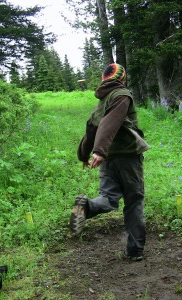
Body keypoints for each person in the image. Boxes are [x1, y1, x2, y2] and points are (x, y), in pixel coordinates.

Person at [70, 63, 151, 261]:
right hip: (127, 157)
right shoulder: (121, 95)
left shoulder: (102, 102)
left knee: (108, 197)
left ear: (104, 79)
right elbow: (110, 122)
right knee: (134, 200)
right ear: (122, 78)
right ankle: (135, 251)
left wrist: (84, 154)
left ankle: (86, 207)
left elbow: (91, 128)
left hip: (107, 160)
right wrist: (99, 151)